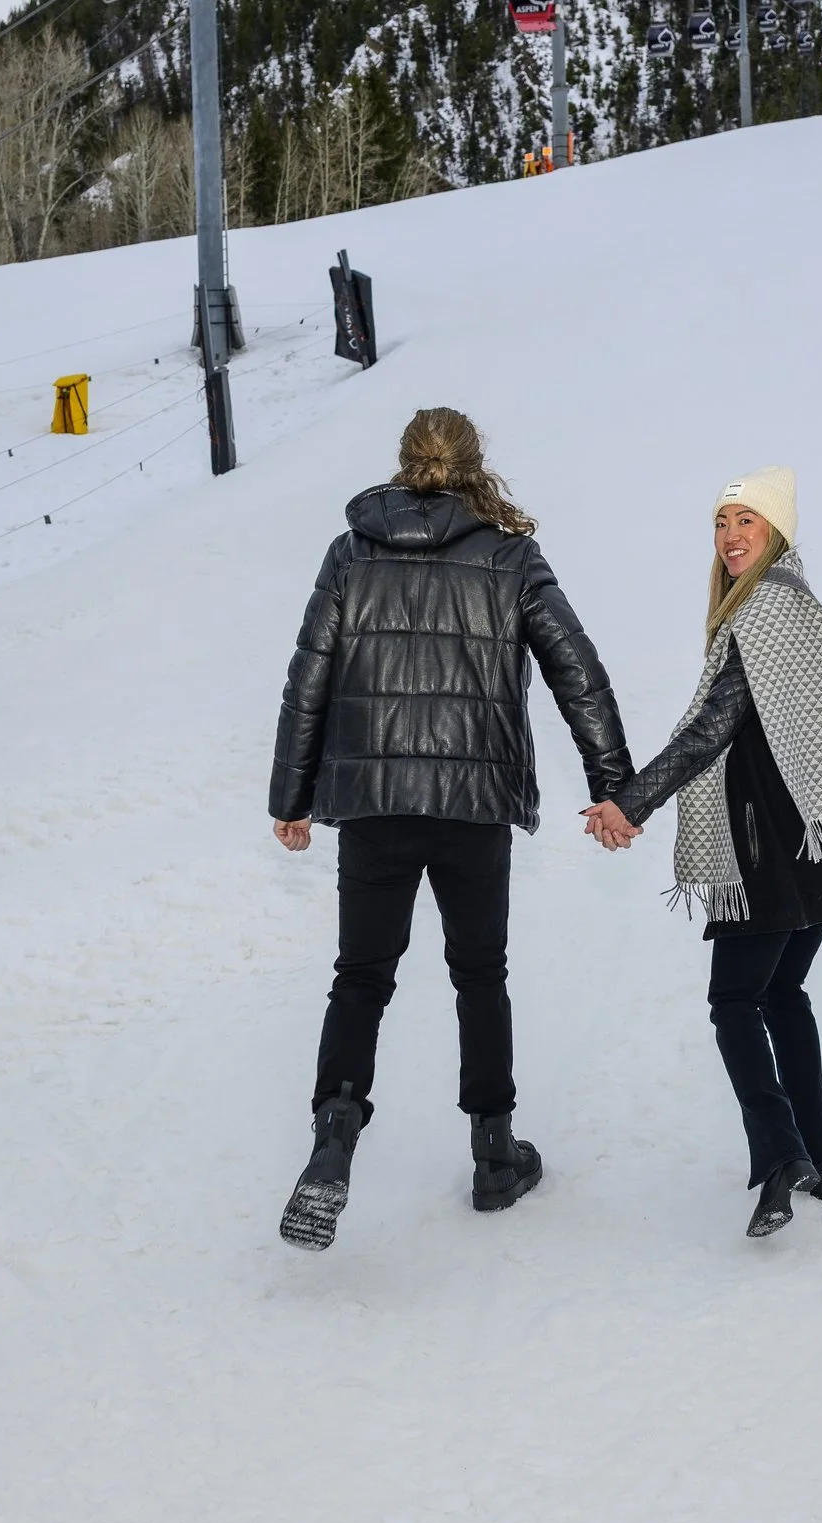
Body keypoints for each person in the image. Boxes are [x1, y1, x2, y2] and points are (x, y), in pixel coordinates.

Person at [271, 408, 632, 1251]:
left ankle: (332, 1140)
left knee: (361, 975)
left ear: (404, 464)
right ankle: (494, 1152)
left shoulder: (352, 551)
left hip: (372, 801)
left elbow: (308, 675)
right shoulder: (509, 555)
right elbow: (577, 671)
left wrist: (290, 795)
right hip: (474, 803)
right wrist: (614, 785)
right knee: (480, 972)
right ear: (476, 467)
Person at [585, 467, 822, 1238]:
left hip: (775, 845)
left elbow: (713, 726)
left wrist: (630, 800)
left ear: (777, 528)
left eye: (747, 520)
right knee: (782, 996)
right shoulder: (797, 602)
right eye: (721, 523)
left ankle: (782, 1152)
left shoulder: (764, 612)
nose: (731, 536)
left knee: (734, 1003)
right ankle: (819, 1159)